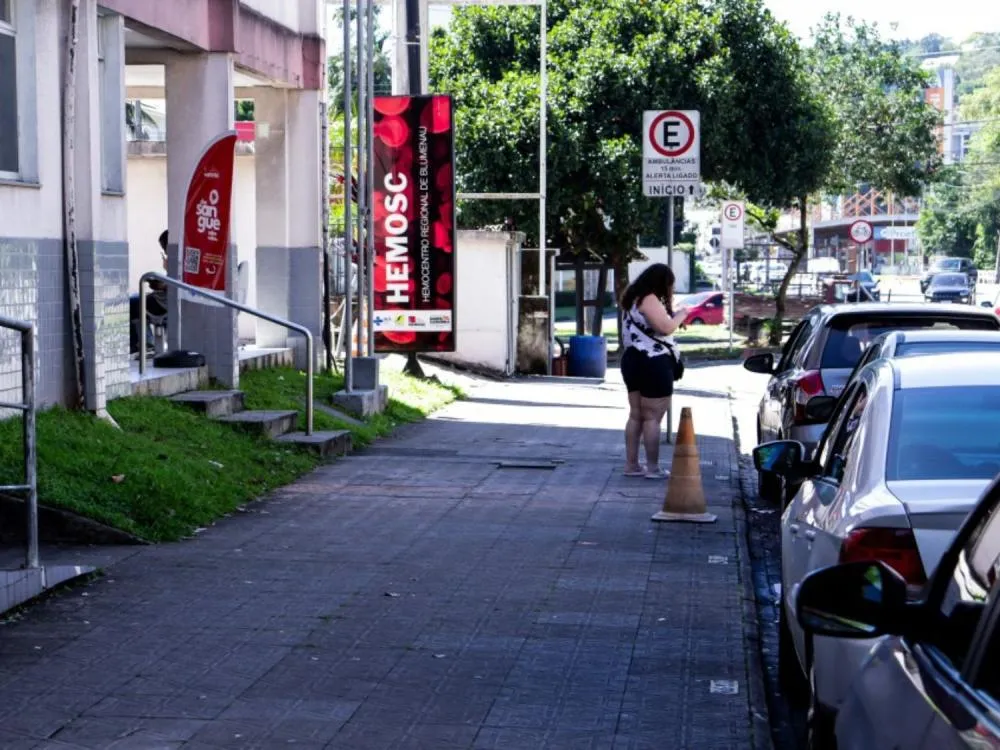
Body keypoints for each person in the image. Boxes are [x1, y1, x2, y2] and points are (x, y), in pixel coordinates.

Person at [619, 263, 688, 479]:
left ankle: (631, 465)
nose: (671, 289)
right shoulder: (649, 298)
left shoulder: (632, 298)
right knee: (652, 418)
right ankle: (653, 468)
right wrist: (682, 315)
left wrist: (671, 316)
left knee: (636, 415)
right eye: (670, 285)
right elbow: (666, 328)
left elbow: (653, 324)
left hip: (632, 359)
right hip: (653, 361)